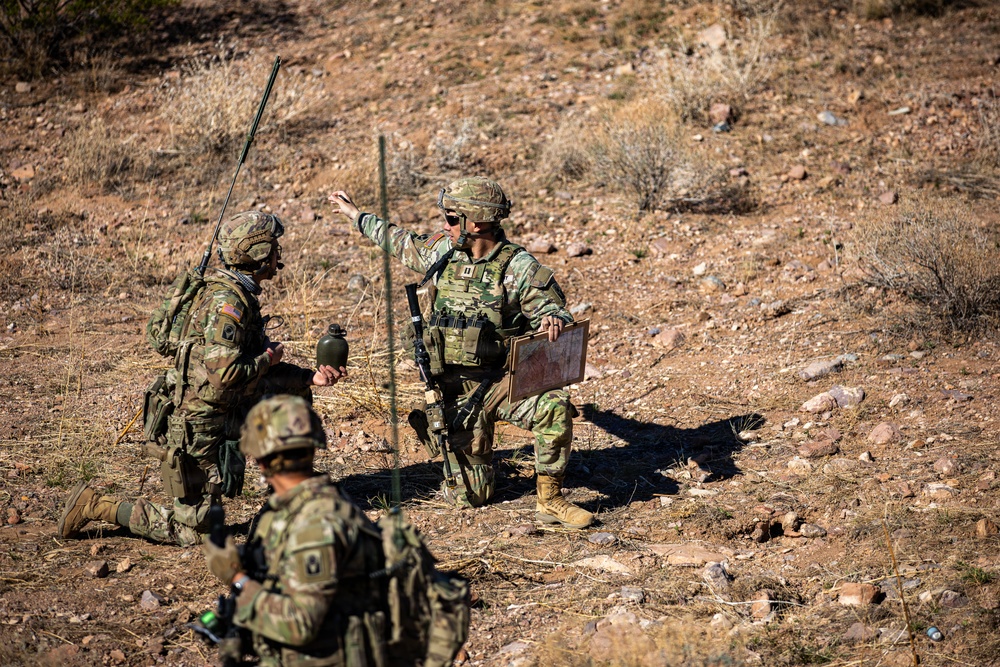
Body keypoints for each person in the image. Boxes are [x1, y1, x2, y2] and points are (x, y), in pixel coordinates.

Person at [59, 212, 346, 546]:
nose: (278, 255)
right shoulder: (229, 304)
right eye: (274, 248)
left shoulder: (236, 294)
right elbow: (225, 375)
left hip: (227, 409)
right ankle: (96, 505)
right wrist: (268, 358)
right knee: (194, 532)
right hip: (198, 424)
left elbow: (252, 371)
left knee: (294, 398)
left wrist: (310, 377)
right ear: (258, 253)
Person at [328, 177, 593, 529]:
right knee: (473, 498)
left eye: (453, 218)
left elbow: (554, 311)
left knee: (554, 407)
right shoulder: (443, 251)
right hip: (454, 391)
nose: (445, 225)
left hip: (501, 383)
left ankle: (551, 500)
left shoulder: (518, 267)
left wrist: (553, 321)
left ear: (477, 222)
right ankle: (453, 439)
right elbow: (399, 240)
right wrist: (356, 215)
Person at [202, 395, 392, 666]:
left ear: (261, 462)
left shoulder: (315, 525)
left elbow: (300, 625)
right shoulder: (299, 506)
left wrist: (237, 578)